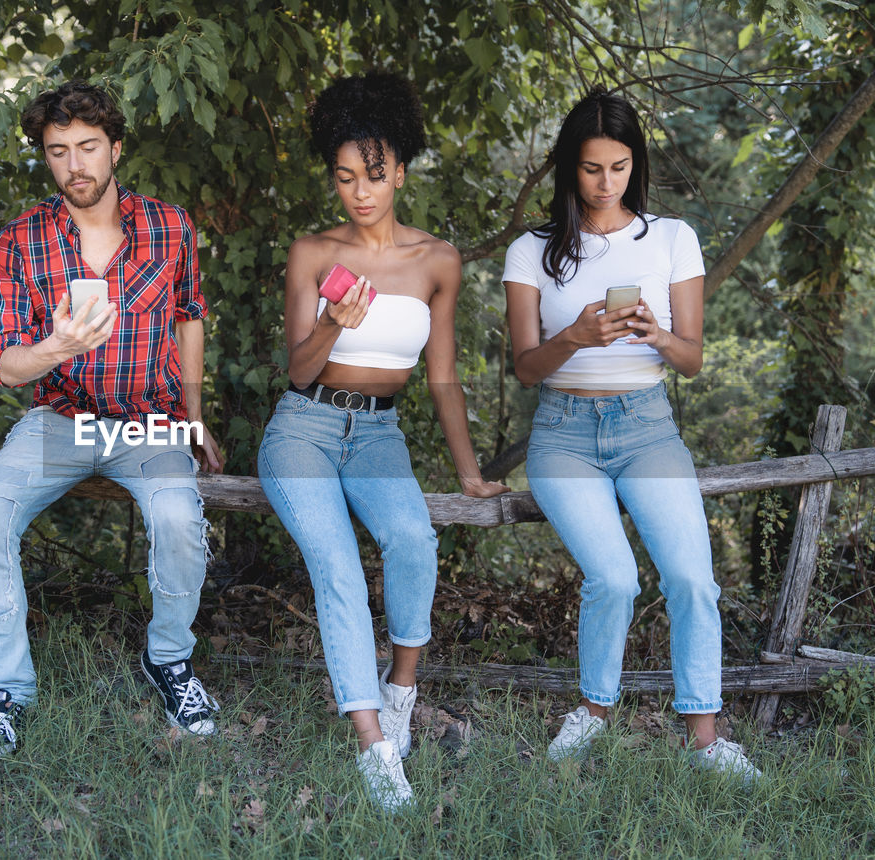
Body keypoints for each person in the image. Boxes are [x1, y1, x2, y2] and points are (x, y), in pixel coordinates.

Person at [256, 73, 508, 812]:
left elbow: (442, 377)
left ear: (400, 169)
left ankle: (400, 689)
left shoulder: (438, 261)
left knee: (413, 539)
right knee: (336, 567)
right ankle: (373, 748)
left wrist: (468, 474)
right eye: (344, 177)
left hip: (377, 434)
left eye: (374, 174)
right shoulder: (311, 253)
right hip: (302, 427)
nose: (360, 192)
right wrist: (336, 320)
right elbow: (298, 366)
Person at [0, 81, 225, 756]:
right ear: (44, 159)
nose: (74, 165)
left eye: (87, 148)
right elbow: (10, 367)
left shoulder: (169, 226)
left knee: (177, 519)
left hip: (147, 424)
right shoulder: (20, 238)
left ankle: (169, 660)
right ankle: (7, 693)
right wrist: (58, 348)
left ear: (115, 149)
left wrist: (193, 416)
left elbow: (189, 316)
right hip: (62, 420)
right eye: (57, 152)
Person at [502, 87, 760, 784]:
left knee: (691, 579)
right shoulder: (532, 251)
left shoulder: (672, 237)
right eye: (591, 168)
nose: (606, 182)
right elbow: (526, 369)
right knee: (612, 576)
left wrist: (656, 333)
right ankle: (592, 713)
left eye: (618, 166)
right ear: (570, 168)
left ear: (634, 164)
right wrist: (577, 336)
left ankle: (704, 739)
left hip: (647, 427)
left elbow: (694, 359)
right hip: (561, 432)